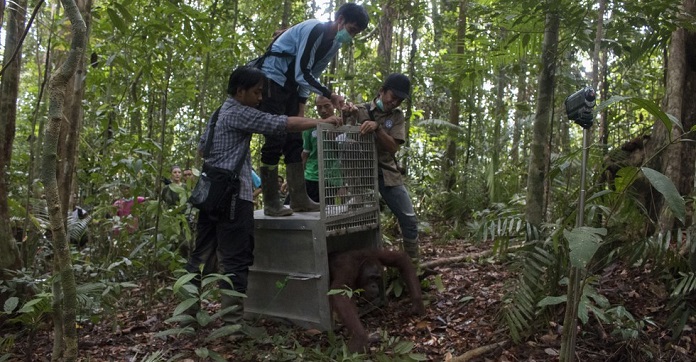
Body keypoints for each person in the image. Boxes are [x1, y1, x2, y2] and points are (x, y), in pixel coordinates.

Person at [183, 66, 342, 329]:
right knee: (236, 257)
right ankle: (232, 324)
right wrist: (321, 122)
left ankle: (188, 316)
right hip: (234, 195)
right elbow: (281, 124)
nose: (260, 99)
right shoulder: (237, 112)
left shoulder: (218, 113)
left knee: (201, 255)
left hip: (211, 192)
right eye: (256, 93)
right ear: (240, 91)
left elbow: (202, 147)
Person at [256, 2, 370, 216]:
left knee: (295, 141)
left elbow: (311, 77)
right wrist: (331, 95)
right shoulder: (315, 29)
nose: (351, 36)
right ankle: (271, 201)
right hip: (273, 79)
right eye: (352, 30)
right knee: (274, 138)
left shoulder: (334, 44)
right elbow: (302, 73)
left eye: (355, 34)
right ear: (340, 20)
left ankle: (299, 198)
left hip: (290, 86)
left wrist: (301, 109)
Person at [344, 73, 421, 260]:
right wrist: (346, 114)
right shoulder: (360, 109)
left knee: (409, 219)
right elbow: (343, 136)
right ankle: (358, 261)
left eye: (399, 100)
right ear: (382, 91)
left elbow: (393, 147)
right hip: (359, 174)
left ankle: (413, 265)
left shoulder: (397, 117)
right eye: (392, 97)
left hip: (387, 172)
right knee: (355, 219)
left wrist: (377, 128)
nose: (394, 102)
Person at [301, 95, 346, 203]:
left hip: (332, 180)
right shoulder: (310, 127)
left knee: (327, 213)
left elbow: (347, 159)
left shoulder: (344, 126)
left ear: (334, 105)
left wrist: (344, 184)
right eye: (319, 107)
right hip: (312, 177)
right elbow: (305, 155)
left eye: (327, 106)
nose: (323, 110)